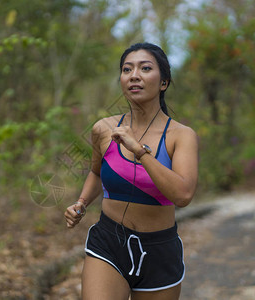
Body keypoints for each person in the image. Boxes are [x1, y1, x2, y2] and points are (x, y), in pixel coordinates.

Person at [64, 42, 199, 300]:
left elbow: (183, 195)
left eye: (145, 68)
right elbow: (95, 172)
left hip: (159, 250)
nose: (134, 75)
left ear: (164, 83)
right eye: (127, 69)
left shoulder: (181, 136)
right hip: (108, 242)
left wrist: (139, 151)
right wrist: (81, 204)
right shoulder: (104, 129)